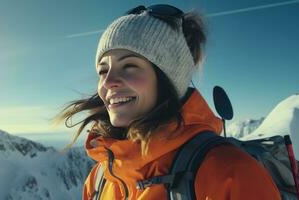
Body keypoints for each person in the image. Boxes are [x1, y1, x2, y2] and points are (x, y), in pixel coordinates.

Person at [57, 4, 281, 200]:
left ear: (167, 80)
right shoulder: (100, 178)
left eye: (130, 66)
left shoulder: (230, 174)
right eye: (102, 70)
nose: (108, 82)